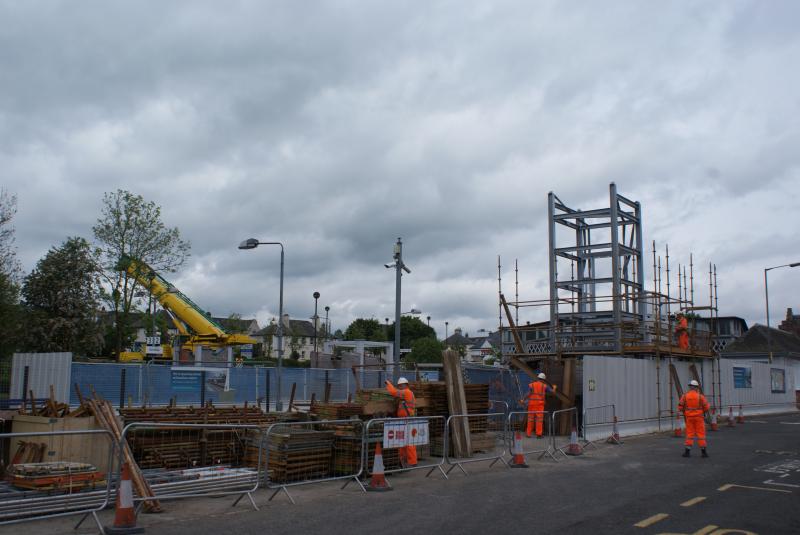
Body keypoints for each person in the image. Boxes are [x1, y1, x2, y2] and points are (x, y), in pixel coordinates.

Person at [385, 377, 417, 467]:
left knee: (409, 442)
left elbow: (393, 392)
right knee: (402, 441)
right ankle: (403, 460)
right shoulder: (407, 393)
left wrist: (388, 384)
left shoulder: (406, 392)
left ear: (406, 385)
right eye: (398, 386)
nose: (399, 387)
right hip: (403, 420)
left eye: (401, 385)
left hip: (407, 420)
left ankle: (412, 461)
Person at [678, 379, 710, 458]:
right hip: (699, 418)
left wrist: (686, 410)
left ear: (690, 387)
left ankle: (687, 452)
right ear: (696, 387)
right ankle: (704, 452)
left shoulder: (684, 396)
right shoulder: (700, 396)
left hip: (689, 418)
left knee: (689, 434)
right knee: (701, 434)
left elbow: (680, 407)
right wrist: (701, 411)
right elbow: (706, 407)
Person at [521, 373, 556, 438]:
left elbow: (528, 393)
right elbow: (552, 392)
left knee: (530, 419)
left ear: (538, 378)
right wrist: (554, 388)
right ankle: (539, 434)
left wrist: (523, 399)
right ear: (543, 380)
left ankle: (528, 434)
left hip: (531, 404)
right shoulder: (544, 386)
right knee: (539, 420)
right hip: (539, 405)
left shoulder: (532, 385)